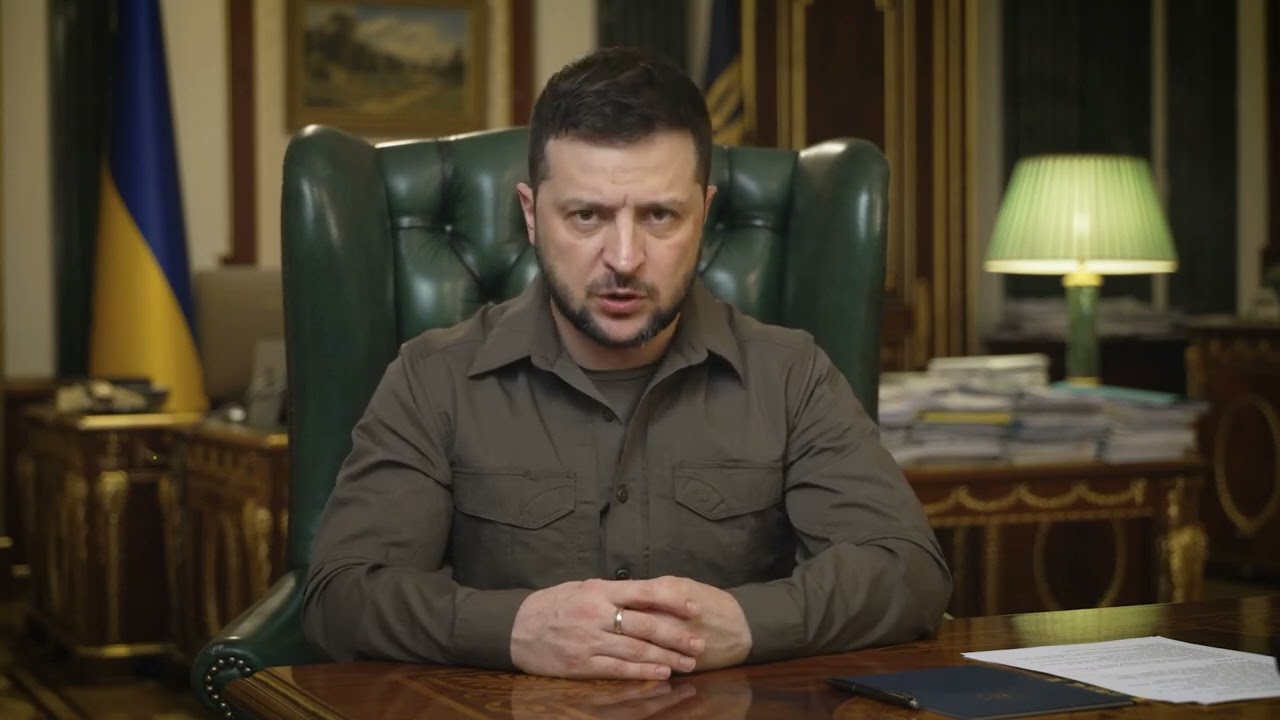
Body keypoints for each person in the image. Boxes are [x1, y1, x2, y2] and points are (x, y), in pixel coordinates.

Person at [302, 46, 951, 682]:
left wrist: (748, 622)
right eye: (586, 216)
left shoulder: (791, 375)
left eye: (660, 215)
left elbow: (910, 571)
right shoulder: (432, 377)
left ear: (704, 215)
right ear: (531, 215)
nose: (624, 258)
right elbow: (341, 598)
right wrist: (515, 629)